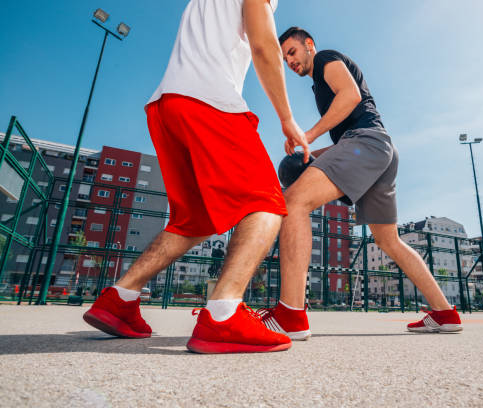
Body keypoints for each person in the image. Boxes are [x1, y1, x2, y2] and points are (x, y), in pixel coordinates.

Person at [82, 0, 311, 354]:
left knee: (193, 221)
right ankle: (223, 314)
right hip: (209, 100)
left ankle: (120, 298)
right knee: (266, 201)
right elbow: (264, 45)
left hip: (167, 106)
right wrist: (286, 118)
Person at [258, 27, 462, 337]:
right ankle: (446, 313)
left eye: (292, 52)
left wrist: (308, 135)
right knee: (388, 241)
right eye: (285, 58)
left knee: (294, 202)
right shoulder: (318, 85)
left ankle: (290, 315)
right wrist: (311, 152)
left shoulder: (326, 58)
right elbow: (347, 132)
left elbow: (351, 96)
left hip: (366, 143)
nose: (289, 61)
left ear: (309, 45)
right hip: (378, 149)